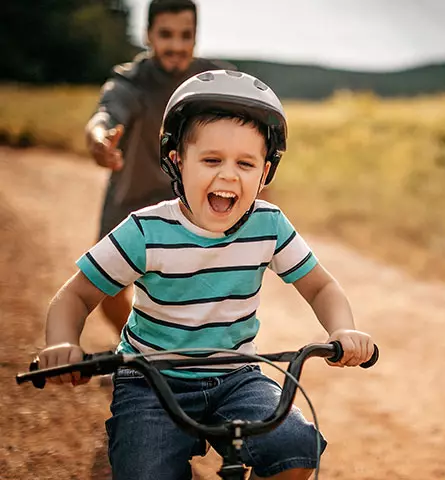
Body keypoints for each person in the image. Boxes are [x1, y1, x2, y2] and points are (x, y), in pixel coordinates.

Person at [38, 69, 375, 479]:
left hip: (236, 375)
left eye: (246, 163)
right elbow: (75, 297)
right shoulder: (146, 230)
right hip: (151, 381)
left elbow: (321, 286)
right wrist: (62, 342)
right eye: (211, 160)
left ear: (265, 172)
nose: (229, 175)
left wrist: (343, 329)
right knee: (144, 472)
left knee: (296, 448)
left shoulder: (268, 225)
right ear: (177, 161)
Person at [86, 0, 238, 336]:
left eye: (186, 35)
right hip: (130, 199)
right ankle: (139, 349)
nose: (177, 46)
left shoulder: (214, 78)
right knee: (106, 291)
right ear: (148, 35)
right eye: (166, 35)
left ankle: (185, 364)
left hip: (192, 202)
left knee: (197, 293)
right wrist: (100, 142)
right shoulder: (131, 81)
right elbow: (105, 115)